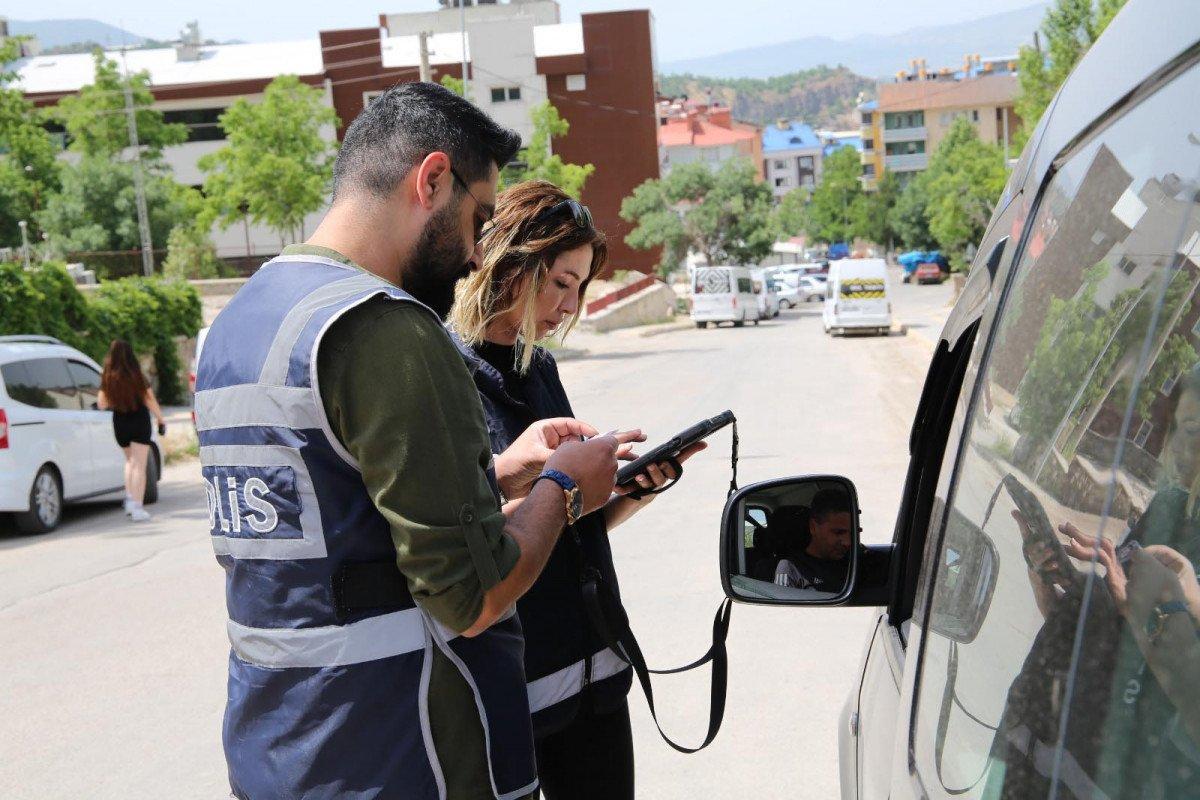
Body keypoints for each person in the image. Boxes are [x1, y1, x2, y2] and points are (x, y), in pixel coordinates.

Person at [194, 82, 632, 800]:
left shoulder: (241, 324)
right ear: (431, 180)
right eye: (478, 217)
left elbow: (335, 522)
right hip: (405, 751)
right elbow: (473, 597)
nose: (472, 254)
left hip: (280, 749)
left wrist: (493, 477)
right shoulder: (387, 330)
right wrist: (561, 486)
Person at [448, 180, 705, 800]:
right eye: (561, 282)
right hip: (520, 683)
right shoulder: (444, 371)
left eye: (580, 287)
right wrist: (538, 481)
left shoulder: (541, 370)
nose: (571, 305)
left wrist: (632, 492)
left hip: (598, 667)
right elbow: (460, 538)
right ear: (512, 262)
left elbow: (569, 521)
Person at [96, 339, 164, 523]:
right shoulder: (137, 375)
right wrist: (160, 419)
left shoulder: (108, 377)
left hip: (120, 421)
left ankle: (129, 500)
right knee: (139, 465)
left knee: (129, 462)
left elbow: (101, 404)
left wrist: (115, 398)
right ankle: (137, 507)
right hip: (139, 420)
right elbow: (149, 400)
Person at [774, 488, 853, 592]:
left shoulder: (855, 561)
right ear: (813, 527)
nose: (848, 542)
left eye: (853, 533)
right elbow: (782, 606)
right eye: (838, 532)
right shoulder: (790, 568)